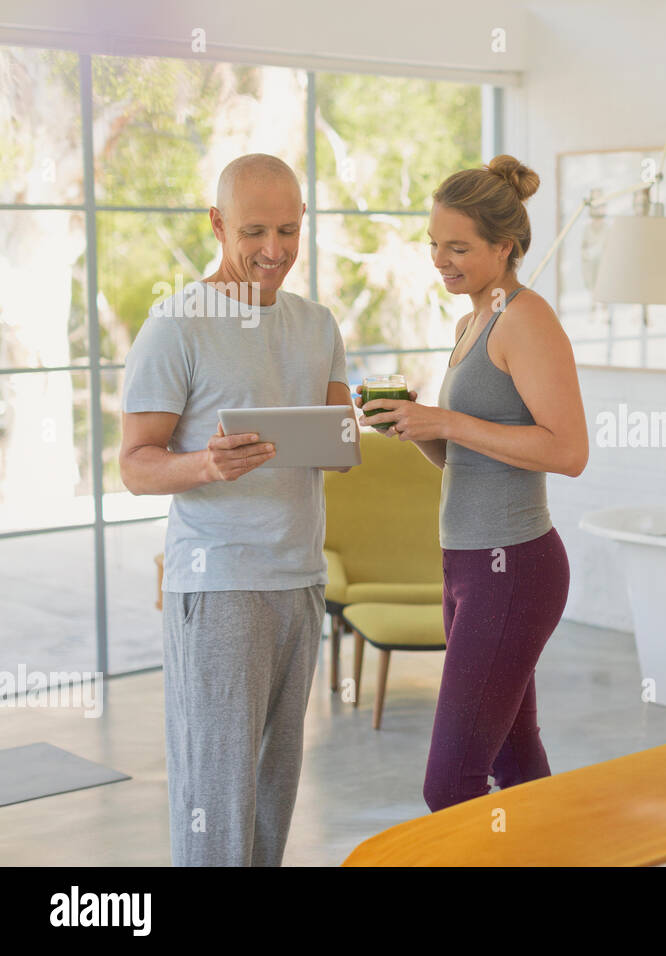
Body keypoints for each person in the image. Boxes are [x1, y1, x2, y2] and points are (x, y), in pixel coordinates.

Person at [119, 153, 352, 865]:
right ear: (217, 224)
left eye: (288, 229)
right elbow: (134, 463)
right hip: (218, 585)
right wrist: (204, 464)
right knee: (215, 796)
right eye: (254, 230)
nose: (273, 250)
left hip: (300, 578)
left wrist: (362, 428)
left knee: (271, 793)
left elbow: (339, 438)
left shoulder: (318, 325)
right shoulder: (176, 325)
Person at [357, 154, 588, 812]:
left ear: (504, 247)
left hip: (514, 569)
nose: (440, 259)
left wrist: (449, 419)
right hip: (466, 566)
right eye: (434, 244)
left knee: (451, 783)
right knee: (515, 763)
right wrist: (414, 427)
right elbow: (467, 453)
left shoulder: (527, 320)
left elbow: (568, 451)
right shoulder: (470, 323)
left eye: (458, 247)